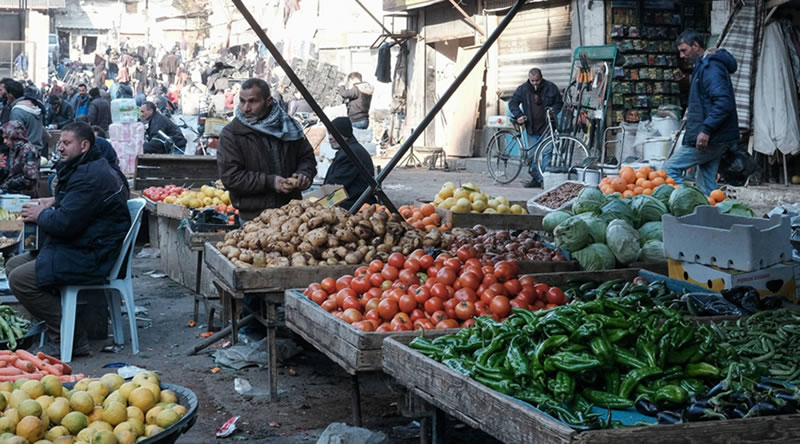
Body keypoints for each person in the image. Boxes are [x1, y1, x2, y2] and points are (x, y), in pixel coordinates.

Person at [7, 122, 131, 357]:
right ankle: (58, 326)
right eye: (60, 143)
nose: (60, 148)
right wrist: (54, 202)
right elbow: (75, 208)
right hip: (84, 244)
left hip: (93, 254)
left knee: (21, 279)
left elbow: (64, 225)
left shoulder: (90, 175)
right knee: (14, 264)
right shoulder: (85, 167)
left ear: (84, 145)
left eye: (66, 143)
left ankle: (70, 337)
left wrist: (41, 214)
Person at [217, 77, 316, 221]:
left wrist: (304, 173)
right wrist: (270, 182)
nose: (245, 108)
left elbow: (306, 157)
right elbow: (230, 177)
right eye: (242, 101)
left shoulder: (288, 126)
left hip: (291, 214)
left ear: (268, 101)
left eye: (253, 101)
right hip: (254, 217)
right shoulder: (232, 133)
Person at [665, 29, 739, 195]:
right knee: (706, 184)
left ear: (696, 46)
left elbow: (723, 102)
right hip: (714, 137)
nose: (682, 56)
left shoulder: (710, 67)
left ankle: (686, 203)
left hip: (712, 138)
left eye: (684, 50)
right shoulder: (702, 67)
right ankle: (710, 214)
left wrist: (706, 129)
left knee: (668, 170)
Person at [508, 67, 563, 188]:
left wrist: (553, 110)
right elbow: (512, 103)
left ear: (541, 78)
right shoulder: (523, 89)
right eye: (532, 81)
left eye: (537, 81)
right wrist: (519, 115)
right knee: (533, 155)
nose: (535, 83)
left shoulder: (550, 87)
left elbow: (559, 102)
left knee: (546, 154)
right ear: (529, 79)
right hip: (531, 128)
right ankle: (536, 178)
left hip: (548, 127)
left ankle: (544, 179)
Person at [323, 117, 376, 210]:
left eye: (333, 133)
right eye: (329, 133)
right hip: (353, 203)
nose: (330, 137)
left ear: (345, 135)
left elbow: (334, 187)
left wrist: (312, 201)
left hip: (355, 207)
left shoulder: (349, 154)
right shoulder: (350, 150)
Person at [0, 120, 39, 197]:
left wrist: (7, 185)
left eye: (7, 138)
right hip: (14, 195)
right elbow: (15, 172)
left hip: (24, 196)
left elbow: (30, 178)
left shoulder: (28, 150)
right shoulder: (15, 149)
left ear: (14, 136)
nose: (4, 141)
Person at [6, 80, 46, 153]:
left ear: (10, 96)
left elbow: (15, 137)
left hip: (24, 154)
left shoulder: (17, 111)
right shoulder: (34, 106)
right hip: (36, 151)